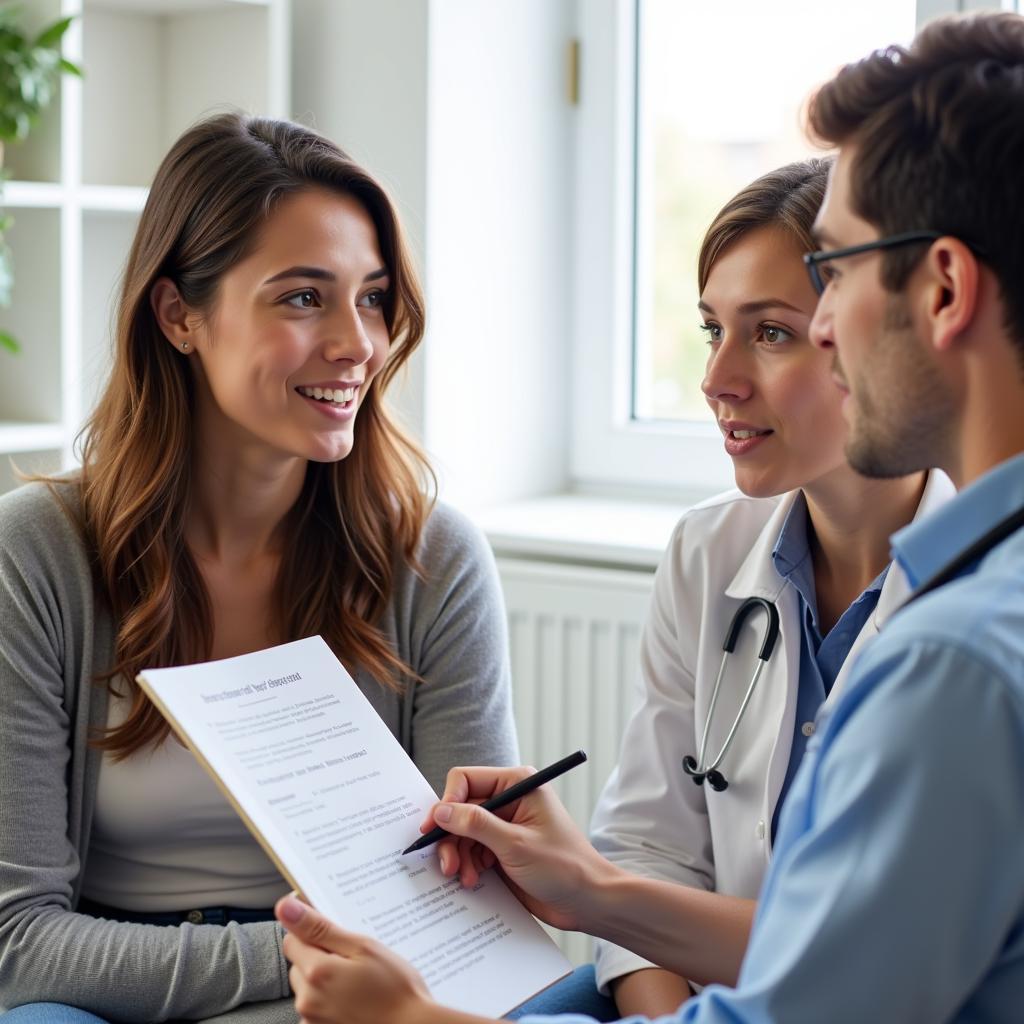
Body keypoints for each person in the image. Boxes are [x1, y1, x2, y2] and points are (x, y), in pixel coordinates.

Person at [274, 10, 1024, 1023]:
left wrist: (414, 1022)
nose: (830, 323)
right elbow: (837, 942)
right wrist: (589, 886)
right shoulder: (958, 604)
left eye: (833, 273)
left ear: (941, 288)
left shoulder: (956, 657)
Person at [0, 113, 518, 1024]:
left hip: (366, 991)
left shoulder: (434, 558)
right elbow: (19, 943)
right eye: (302, 298)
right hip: (117, 990)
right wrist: (298, 954)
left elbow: (471, 887)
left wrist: (354, 973)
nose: (358, 343)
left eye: (373, 297)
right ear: (179, 316)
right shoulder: (36, 554)